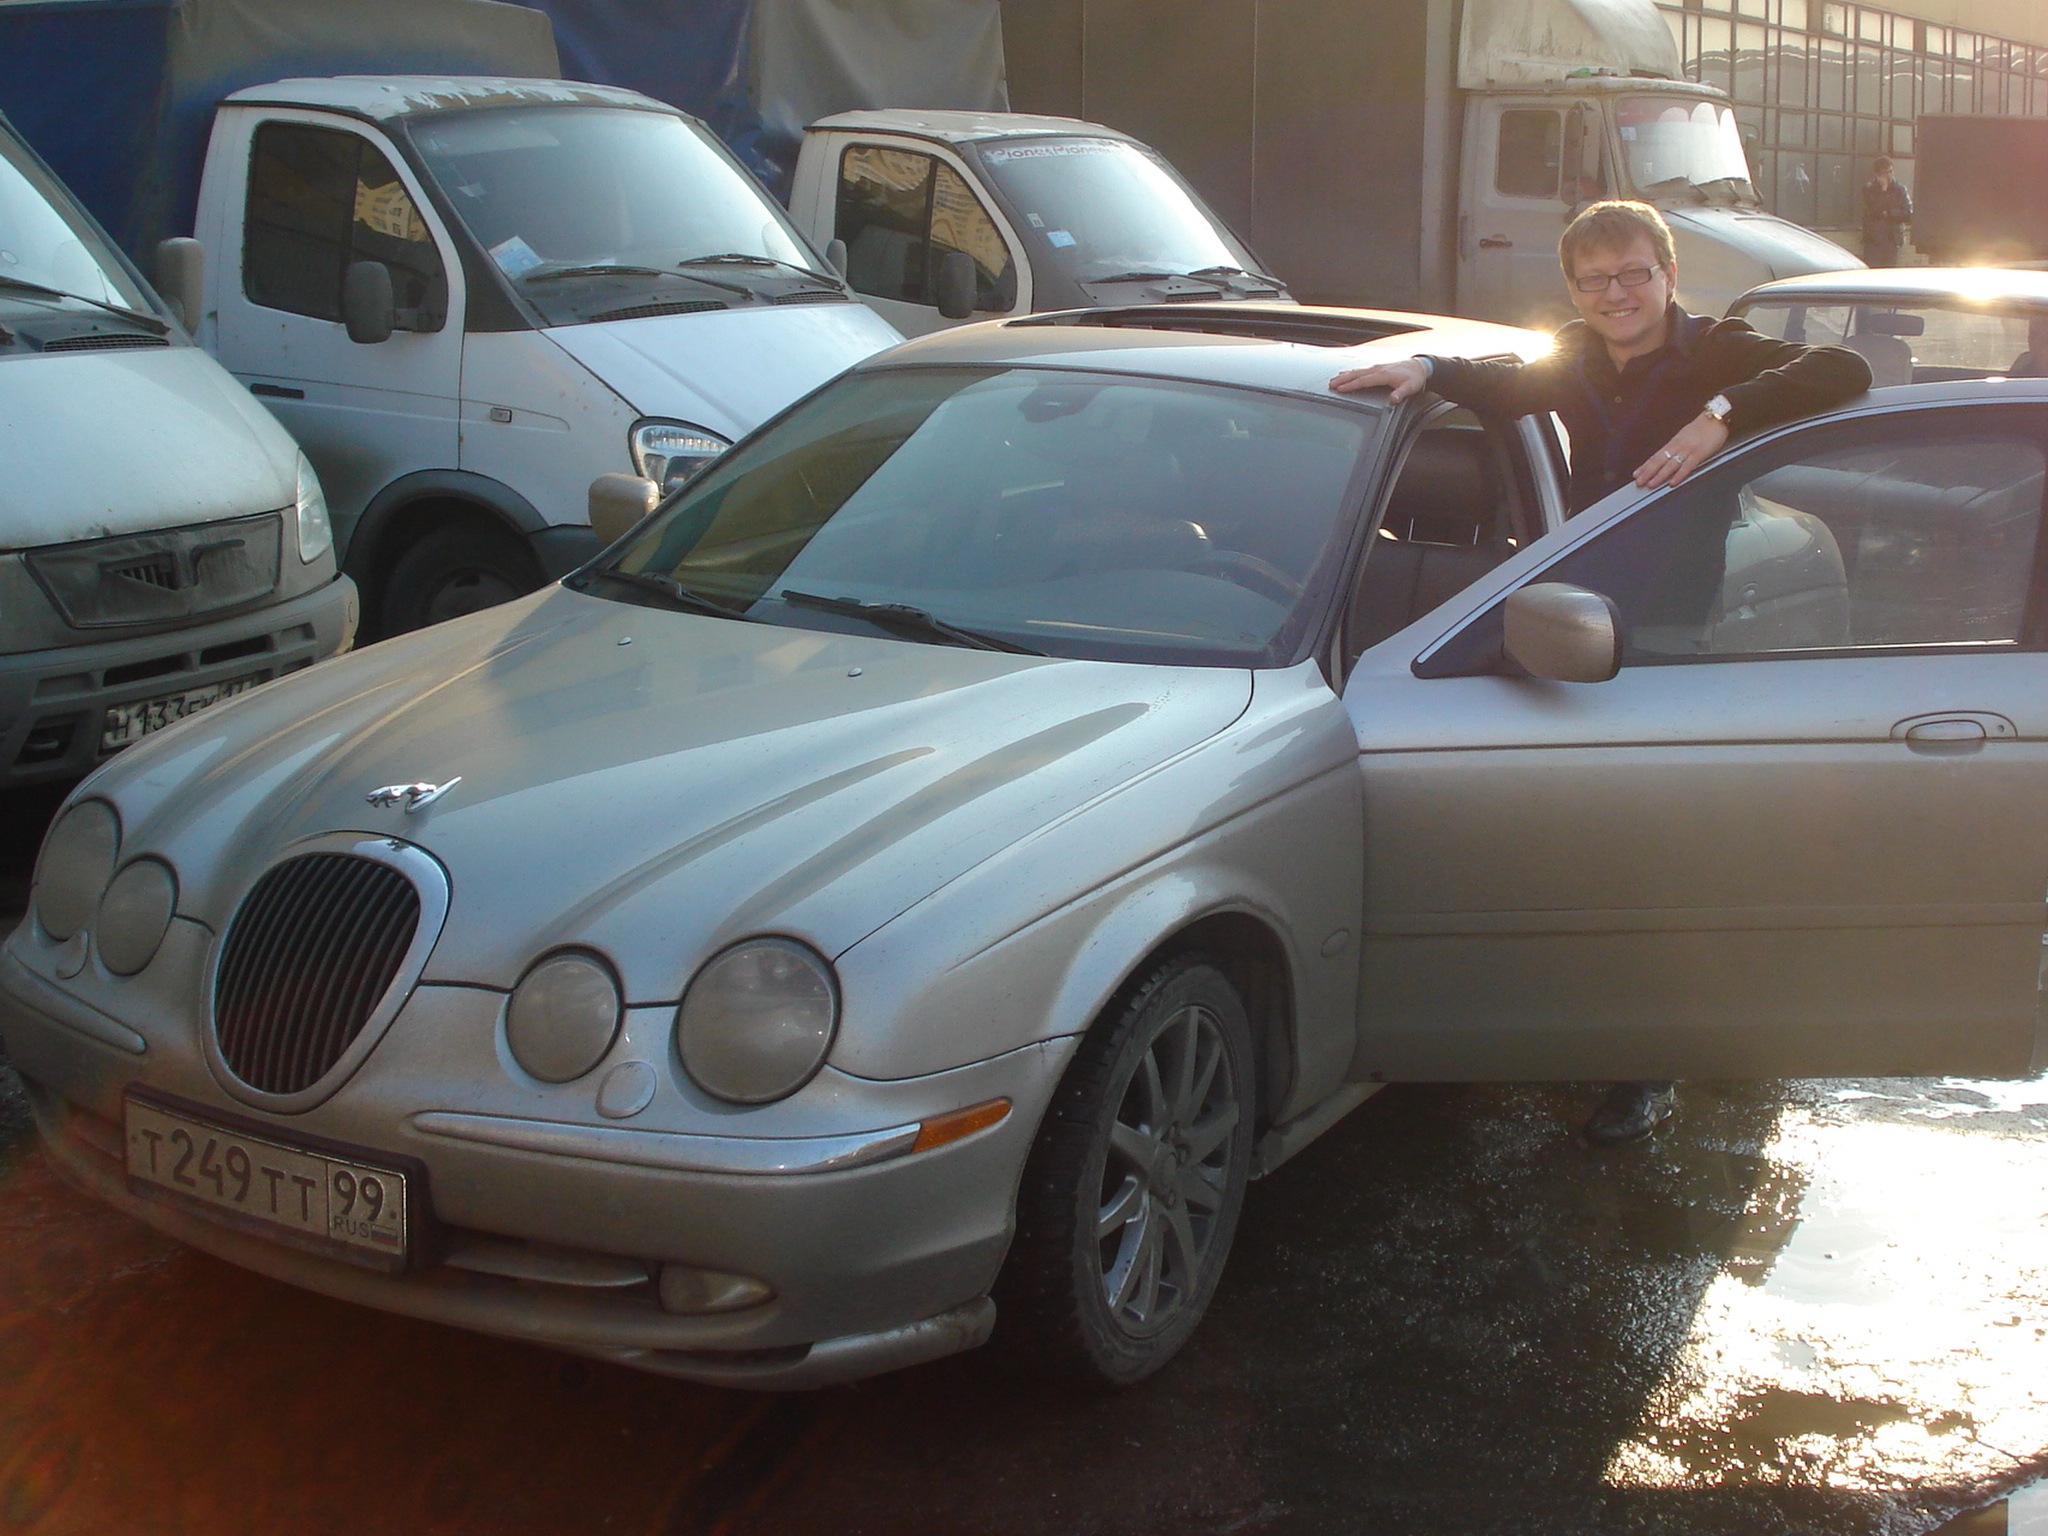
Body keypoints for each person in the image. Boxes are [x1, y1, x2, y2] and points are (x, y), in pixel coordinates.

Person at [1329, 199, 1871, 1145]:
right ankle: (1520, 1020)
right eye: (1594, 282)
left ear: (1668, 274)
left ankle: (1645, 1063)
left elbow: (1845, 370)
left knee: (1656, 851)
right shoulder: (1576, 356)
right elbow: (1505, 383)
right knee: (1559, 835)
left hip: (1667, 640)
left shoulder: (1717, 353)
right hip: (1568, 623)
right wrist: (1427, 371)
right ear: (1574, 292)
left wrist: (1717, 418)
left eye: (1633, 275)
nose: (1616, 295)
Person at [1861, 156, 1912, 268]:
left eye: (1891, 171)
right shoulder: (1869, 189)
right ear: (1878, 174)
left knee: (1889, 271)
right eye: (1885, 173)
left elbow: (1908, 214)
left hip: (1892, 239)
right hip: (1873, 241)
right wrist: (1883, 190)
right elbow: (1874, 211)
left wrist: (1889, 213)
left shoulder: (1900, 190)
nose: (1889, 175)